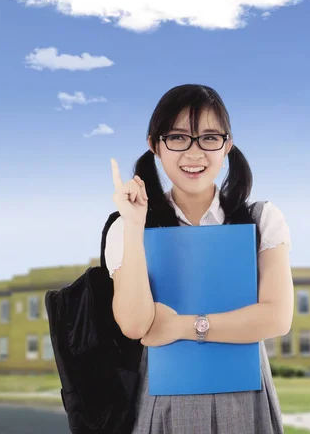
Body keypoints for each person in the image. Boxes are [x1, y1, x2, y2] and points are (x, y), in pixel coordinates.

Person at [105, 83, 293, 434]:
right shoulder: (127, 226)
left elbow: (277, 318)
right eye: (178, 138)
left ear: (227, 145)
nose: (194, 153)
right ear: (155, 145)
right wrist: (133, 226)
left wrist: (180, 326)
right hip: (164, 401)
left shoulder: (261, 218)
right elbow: (134, 324)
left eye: (208, 138)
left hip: (246, 396)